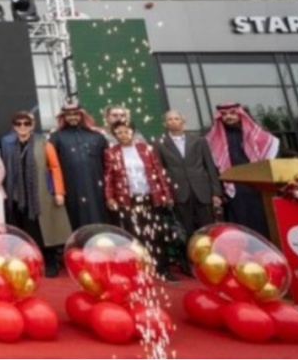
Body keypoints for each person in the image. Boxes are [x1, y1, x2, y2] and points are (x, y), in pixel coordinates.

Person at [104, 123, 177, 281]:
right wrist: (109, 197)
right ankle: (140, 270)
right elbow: (109, 177)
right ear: (115, 136)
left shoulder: (146, 149)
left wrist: (167, 194)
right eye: (119, 133)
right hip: (127, 199)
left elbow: (159, 172)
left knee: (156, 234)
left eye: (126, 131)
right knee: (135, 235)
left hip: (150, 197)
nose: (123, 135)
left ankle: (162, 269)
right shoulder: (111, 152)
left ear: (133, 132)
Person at [1, 111, 69, 277]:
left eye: (26, 123)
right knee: (26, 231)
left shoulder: (44, 143)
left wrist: (59, 192)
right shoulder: (10, 146)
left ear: (32, 126)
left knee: (45, 230)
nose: (22, 127)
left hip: (40, 195)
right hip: (19, 197)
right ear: (14, 127)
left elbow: (54, 167)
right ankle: (31, 262)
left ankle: (50, 261)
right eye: (19, 124)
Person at [205, 102, 279, 239]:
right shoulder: (214, 138)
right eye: (224, 114)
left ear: (240, 115)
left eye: (232, 113)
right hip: (233, 187)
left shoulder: (254, 133)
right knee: (238, 222)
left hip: (255, 185)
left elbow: (270, 145)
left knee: (260, 220)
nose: (229, 117)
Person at [156, 111, 221, 243]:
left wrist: (216, 192)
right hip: (179, 194)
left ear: (183, 121)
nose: (173, 122)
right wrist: (166, 195)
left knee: (208, 229)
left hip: (202, 191)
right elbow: (160, 171)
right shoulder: (159, 143)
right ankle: (189, 255)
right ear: (165, 123)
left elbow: (209, 166)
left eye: (176, 118)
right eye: (169, 119)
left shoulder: (198, 140)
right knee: (187, 231)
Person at [47, 103, 109, 229]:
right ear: (64, 117)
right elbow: (50, 167)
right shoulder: (56, 137)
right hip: (71, 189)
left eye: (75, 114)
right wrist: (57, 192)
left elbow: (107, 164)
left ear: (81, 115)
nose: (72, 117)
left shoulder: (97, 136)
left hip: (96, 188)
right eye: (69, 115)